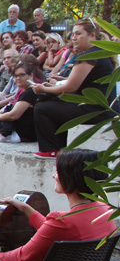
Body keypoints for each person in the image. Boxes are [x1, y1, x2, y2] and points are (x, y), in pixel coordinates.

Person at [32, 18, 118, 159]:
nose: (74, 38)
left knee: (41, 107)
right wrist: (55, 85)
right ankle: (60, 145)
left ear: (92, 35)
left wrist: (44, 88)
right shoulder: (100, 51)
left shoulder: (89, 55)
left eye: (79, 34)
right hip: (100, 107)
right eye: (73, 34)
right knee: (52, 101)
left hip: (95, 110)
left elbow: (71, 87)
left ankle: (51, 149)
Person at [0, 60, 38, 144]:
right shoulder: (22, 90)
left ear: (31, 75)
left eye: (22, 75)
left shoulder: (30, 92)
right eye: (16, 75)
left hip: (23, 133)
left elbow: (14, 115)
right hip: (15, 128)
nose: (18, 78)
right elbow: (10, 106)